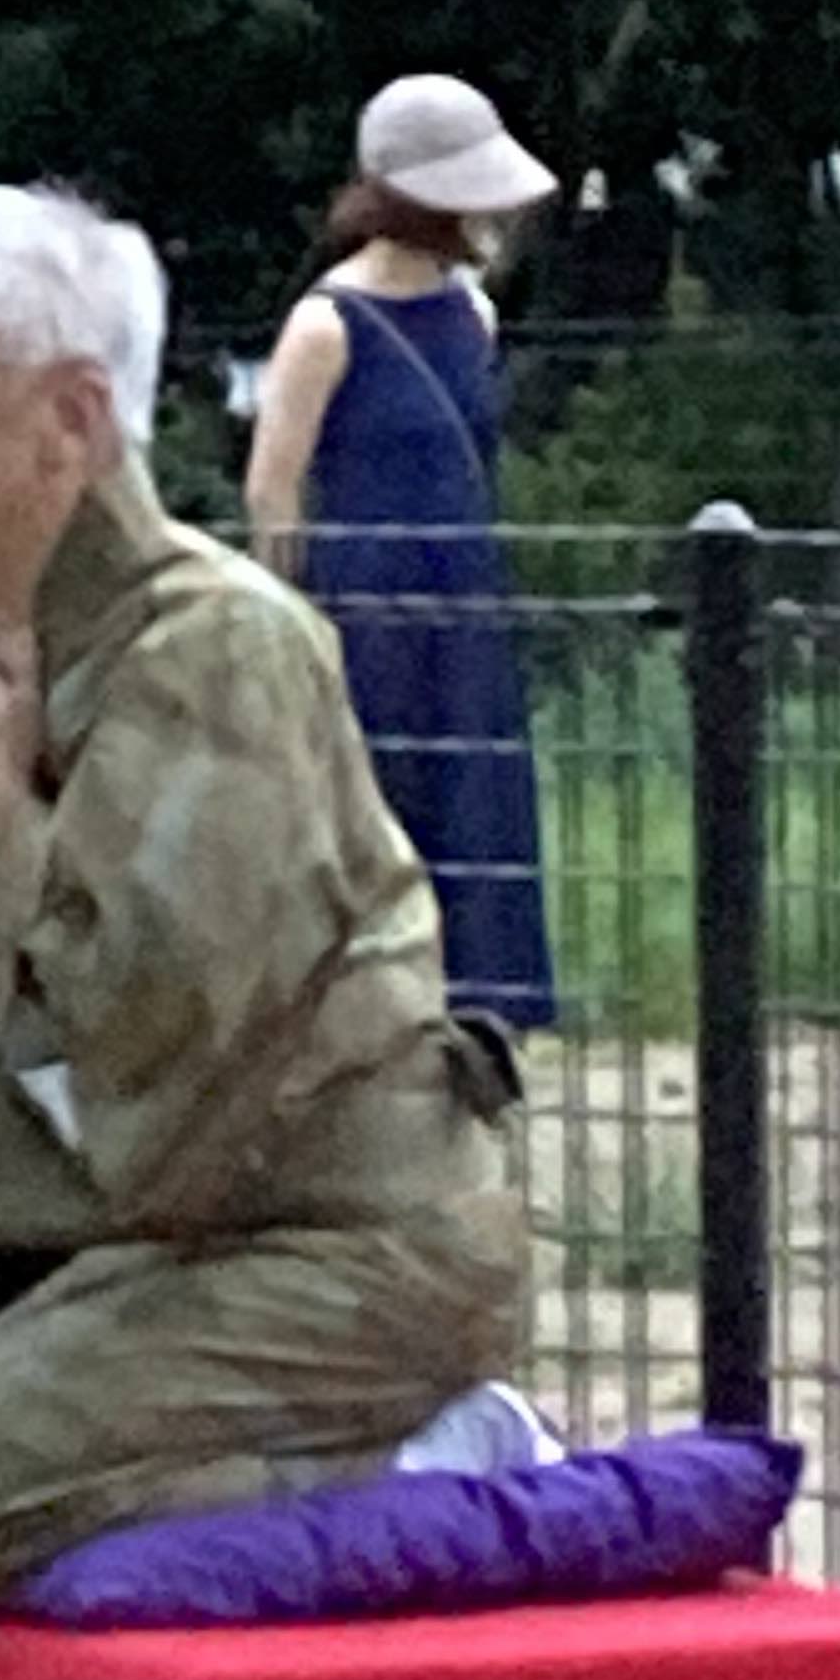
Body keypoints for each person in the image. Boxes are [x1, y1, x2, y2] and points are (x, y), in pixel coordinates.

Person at [0, 182, 529, 1605]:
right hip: (150, 1229)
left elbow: (154, 1030)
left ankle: (432, 1455)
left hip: (337, 1240)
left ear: (73, 418)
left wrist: (22, 808)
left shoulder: (221, 647)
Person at [241, 73, 560, 1034]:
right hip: (365, 604)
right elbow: (273, 481)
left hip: (465, 597)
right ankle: (367, 1005)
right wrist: (291, 615)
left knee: (473, 796)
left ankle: (480, 1007)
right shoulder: (326, 323)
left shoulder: (476, 316)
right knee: (377, 797)